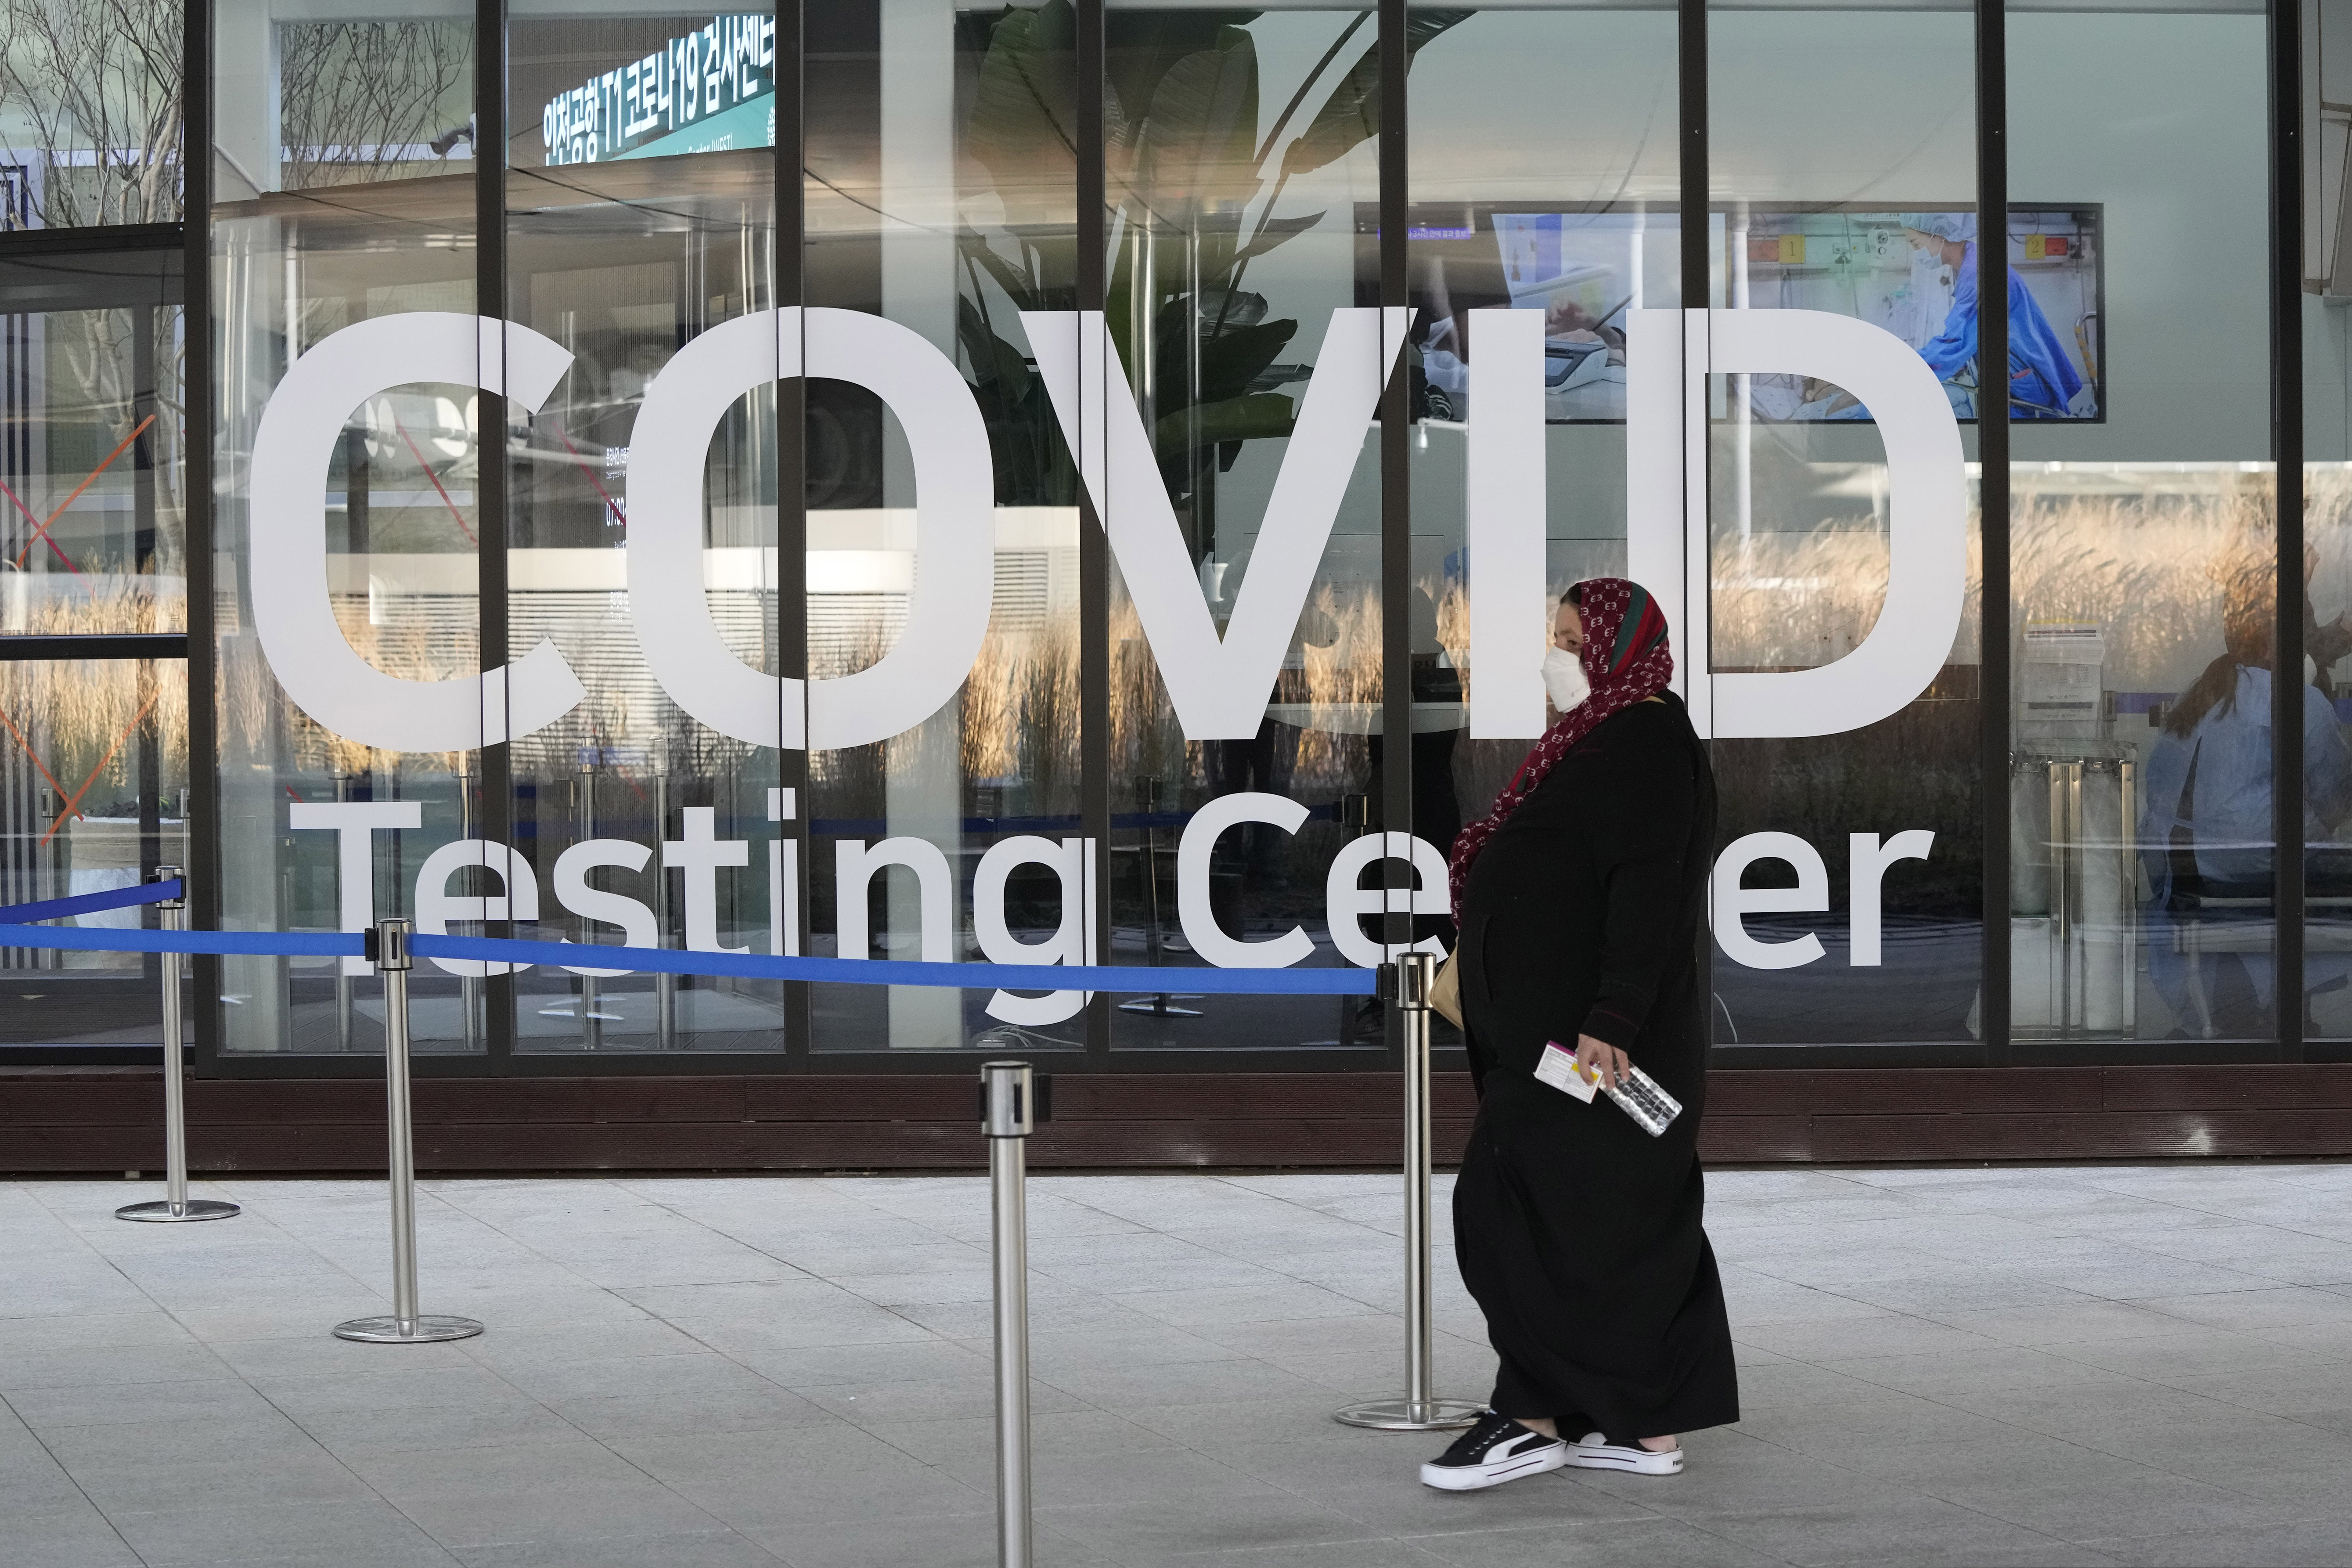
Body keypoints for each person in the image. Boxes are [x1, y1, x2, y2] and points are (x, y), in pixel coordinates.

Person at [1421, 578, 1737, 1492]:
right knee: (1614, 1221)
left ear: (1614, 646)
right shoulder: (1606, 735)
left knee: (1513, 1202)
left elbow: (1648, 892)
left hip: (1598, 1052)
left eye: (1570, 637)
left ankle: (1530, 1417)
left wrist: (1610, 1021)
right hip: (1573, 1043)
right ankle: (1636, 1425)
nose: (1555, 653)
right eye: (1554, 634)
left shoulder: (1642, 741)